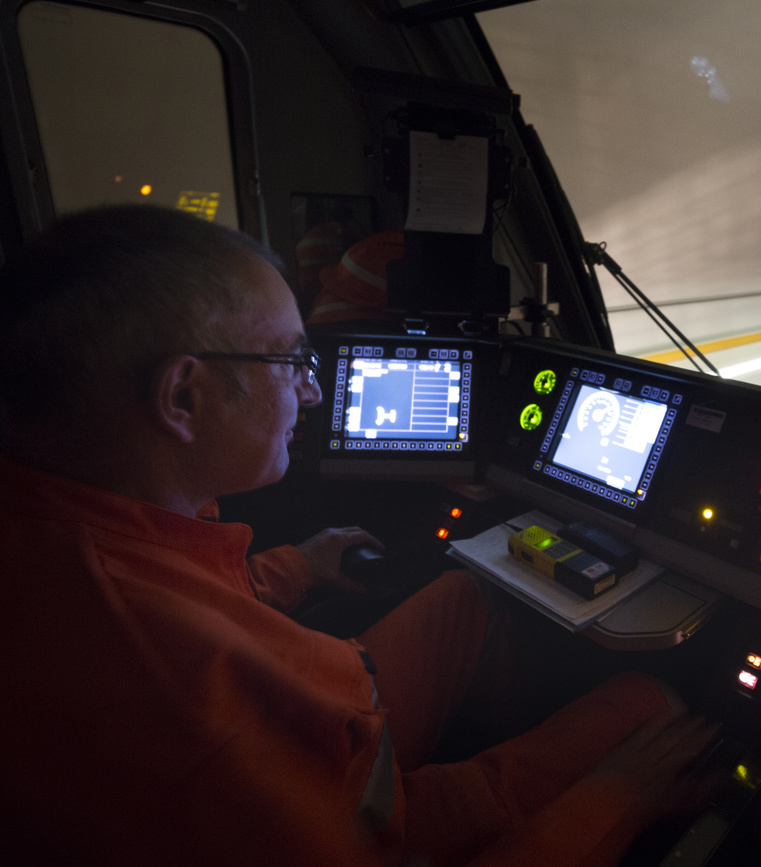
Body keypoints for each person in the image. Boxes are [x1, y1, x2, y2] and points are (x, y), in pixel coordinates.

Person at [0, 206, 715, 866]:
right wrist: (615, 802)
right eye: (290, 360)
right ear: (183, 397)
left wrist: (297, 567)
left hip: (325, 731)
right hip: (369, 819)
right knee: (649, 700)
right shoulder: (195, 725)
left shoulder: (68, 524)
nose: (312, 391)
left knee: (470, 591)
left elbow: (178, 589)